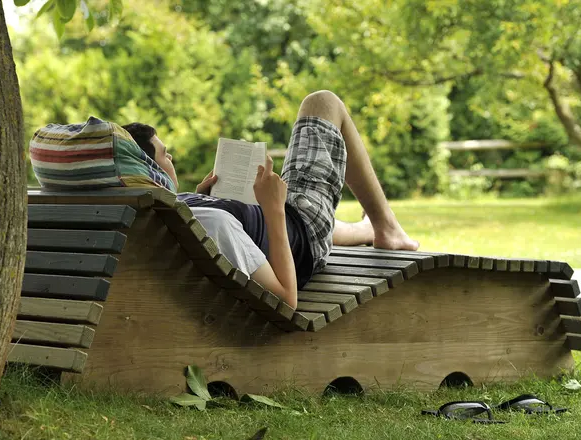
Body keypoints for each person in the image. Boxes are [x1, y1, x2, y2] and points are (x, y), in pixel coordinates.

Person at [123, 90, 419, 309]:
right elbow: (286, 299)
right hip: (300, 229)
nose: (171, 156)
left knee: (298, 204)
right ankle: (387, 229)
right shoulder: (209, 225)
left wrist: (202, 200)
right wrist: (275, 209)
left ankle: (365, 230)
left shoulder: (151, 213)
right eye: (164, 154)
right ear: (149, 170)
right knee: (323, 103)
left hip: (277, 224)